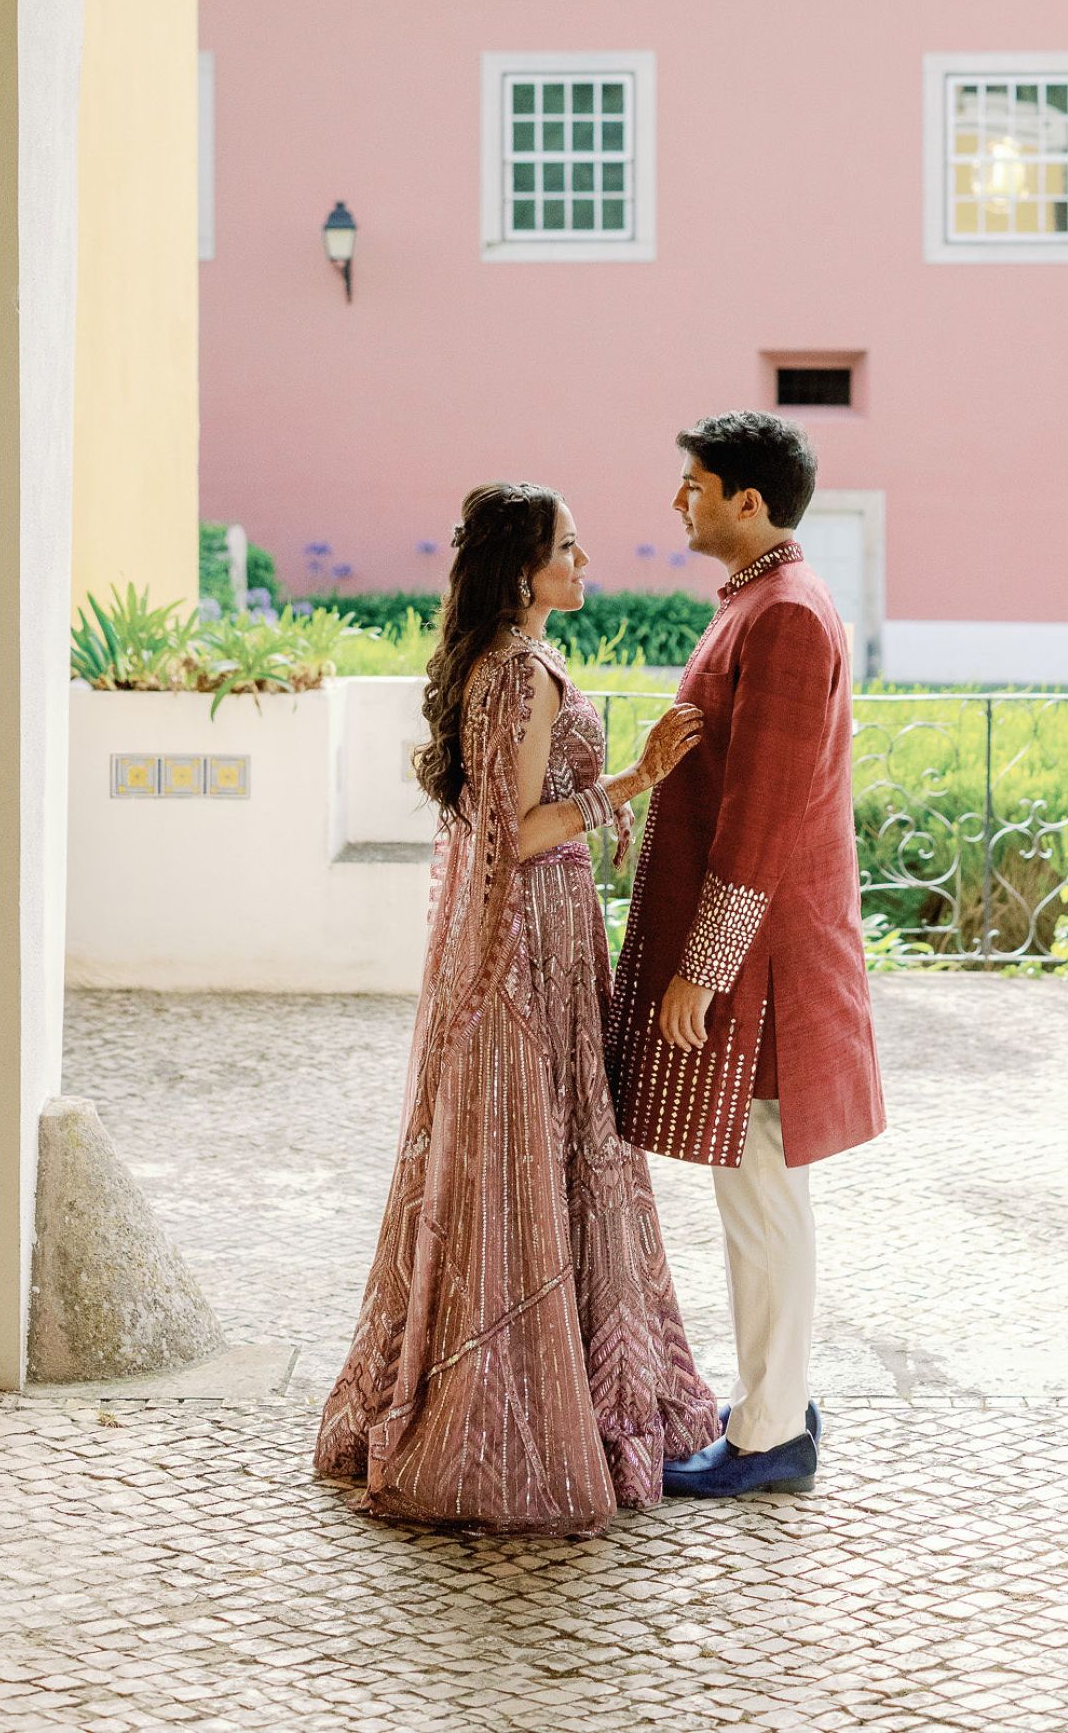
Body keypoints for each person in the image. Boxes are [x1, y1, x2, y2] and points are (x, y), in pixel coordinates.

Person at [315, 480, 719, 1534]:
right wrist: (633, 781)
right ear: (522, 569)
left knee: (537, 1150)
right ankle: (507, 1414)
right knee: (528, 1153)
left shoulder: (500, 662)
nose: (586, 566)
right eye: (569, 552)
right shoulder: (521, 675)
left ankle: (551, 1390)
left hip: (534, 933)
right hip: (526, 941)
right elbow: (516, 835)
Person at [608, 411, 885, 1500]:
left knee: (761, 1192)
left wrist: (703, 972)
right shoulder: (766, 605)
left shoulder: (784, 620)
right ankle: (777, 1399)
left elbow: (763, 819)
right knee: (759, 1191)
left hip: (763, 969)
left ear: (748, 503)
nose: (680, 501)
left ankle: (772, 1436)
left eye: (695, 485)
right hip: (757, 958)